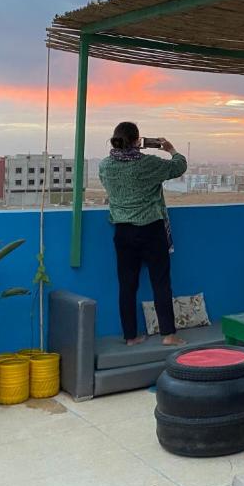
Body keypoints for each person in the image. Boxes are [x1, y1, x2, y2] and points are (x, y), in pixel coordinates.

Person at [99, 121, 188, 347]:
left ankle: (130, 337)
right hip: (151, 229)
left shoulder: (105, 166)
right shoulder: (148, 163)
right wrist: (170, 149)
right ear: (138, 141)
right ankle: (168, 335)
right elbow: (179, 166)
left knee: (127, 285)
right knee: (160, 282)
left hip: (122, 232)